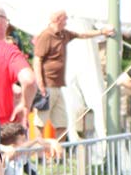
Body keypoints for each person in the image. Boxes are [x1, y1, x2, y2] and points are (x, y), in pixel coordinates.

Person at [31, 9, 113, 140]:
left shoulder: (63, 34)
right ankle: (39, 149)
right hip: (47, 85)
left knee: (62, 124)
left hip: (59, 85)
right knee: (40, 122)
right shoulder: (46, 36)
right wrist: (40, 83)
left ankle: (58, 151)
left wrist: (101, 32)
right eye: (65, 19)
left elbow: (82, 35)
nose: (66, 22)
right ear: (58, 20)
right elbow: (37, 60)